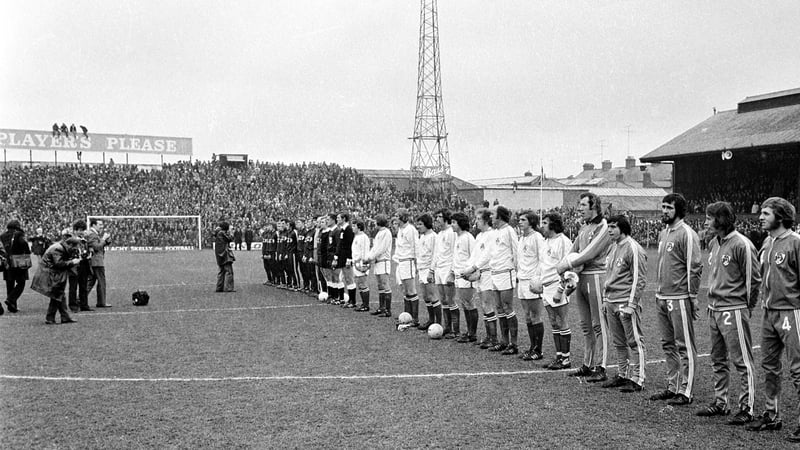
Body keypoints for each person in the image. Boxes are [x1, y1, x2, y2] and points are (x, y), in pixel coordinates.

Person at [695, 202, 760, 425]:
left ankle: (747, 408)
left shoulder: (742, 244)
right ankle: (721, 403)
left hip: (733, 310)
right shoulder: (714, 243)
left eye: (709, 218)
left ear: (721, 219)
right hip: (714, 310)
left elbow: (754, 281)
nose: (705, 222)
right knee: (717, 360)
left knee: (742, 361)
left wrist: (744, 308)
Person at [747, 197, 800, 441]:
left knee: (798, 369)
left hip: (791, 312)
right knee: (769, 365)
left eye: (766, 213)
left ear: (780, 217)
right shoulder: (767, 243)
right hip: (769, 313)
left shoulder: (795, 243)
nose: (760, 217)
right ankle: (771, 415)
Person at [650, 193, 702, 406]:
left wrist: (692, 296)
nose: (664, 211)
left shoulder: (687, 234)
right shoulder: (664, 234)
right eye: (662, 207)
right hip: (662, 296)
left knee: (684, 345)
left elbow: (695, 266)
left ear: (678, 210)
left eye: (668, 208)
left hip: (679, 297)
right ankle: (673, 386)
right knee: (667, 344)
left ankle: (686, 391)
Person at [557, 192, 613, 381]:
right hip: (581, 278)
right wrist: (565, 267)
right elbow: (573, 251)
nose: (579, 208)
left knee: (599, 324)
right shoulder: (584, 227)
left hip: (596, 277)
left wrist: (567, 265)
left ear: (594, 206)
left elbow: (589, 254)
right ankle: (587, 364)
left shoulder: (603, 227)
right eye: (579, 205)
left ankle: (601, 366)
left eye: (583, 205)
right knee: (585, 325)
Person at [600, 215, 648, 393]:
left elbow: (639, 279)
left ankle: (638, 378)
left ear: (623, 228)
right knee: (619, 342)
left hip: (625, 302)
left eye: (613, 227)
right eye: (609, 227)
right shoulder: (613, 247)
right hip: (611, 302)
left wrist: (631, 305)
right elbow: (609, 276)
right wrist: (605, 299)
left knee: (634, 341)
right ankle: (623, 374)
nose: (610, 230)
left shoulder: (633, 248)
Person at [539, 213, 574, 370]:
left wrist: (561, 290)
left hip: (556, 286)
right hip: (545, 287)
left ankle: (566, 359)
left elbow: (568, 268)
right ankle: (559, 356)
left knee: (562, 321)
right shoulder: (545, 241)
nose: (542, 226)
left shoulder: (564, 241)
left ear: (553, 225)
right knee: (553, 322)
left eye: (545, 223)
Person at [464, 208, 499, 349]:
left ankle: (494, 338)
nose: (476, 221)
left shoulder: (492, 235)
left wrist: (473, 268)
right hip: (479, 273)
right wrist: (466, 269)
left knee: (487, 304)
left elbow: (488, 255)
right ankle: (489, 336)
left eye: (478, 219)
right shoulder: (479, 236)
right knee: (484, 305)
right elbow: (474, 255)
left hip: (488, 272)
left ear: (485, 220)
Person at [489, 206, 520, 355]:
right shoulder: (495, 232)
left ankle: (513, 344)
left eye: (493, 214)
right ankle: (504, 341)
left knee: (508, 307)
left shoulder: (509, 231)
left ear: (500, 216)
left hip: (506, 273)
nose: (491, 217)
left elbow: (516, 251)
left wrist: (516, 272)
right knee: (499, 307)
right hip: (494, 273)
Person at [31, 236, 82, 324]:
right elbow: (58, 264)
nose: (76, 249)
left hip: (51, 273)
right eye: (75, 247)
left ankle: (60, 317)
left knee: (58, 295)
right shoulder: (58, 249)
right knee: (57, 294)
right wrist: (73, 262)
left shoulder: (60, 247)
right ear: (70, 244)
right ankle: (53, 317)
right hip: (49, 273)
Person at [516, 211, 546, 360]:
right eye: (519, 219)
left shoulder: (537, 237)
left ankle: (538, 350)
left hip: (531, 281)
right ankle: (531, 347)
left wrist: (537, 279)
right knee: (527, 316)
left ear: (531, 222)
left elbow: (542, 259)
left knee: (535, 316)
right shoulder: (522, 238)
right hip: (521, 280)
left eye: (523, 220)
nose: (520, 222)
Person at [452, 211, 478, 342]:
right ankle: (469, 332)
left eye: (454, 222)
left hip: (467, 276)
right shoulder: (458, 237)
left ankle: (472, 333)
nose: (452, 225)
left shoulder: (468, 237)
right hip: (458, 275)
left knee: (469, 303)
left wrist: (470, 273)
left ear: (460, 223)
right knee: (464, 304)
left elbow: (473, 256)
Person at [431, 209, 457, 337]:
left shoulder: (452, 232)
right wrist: (432, 270)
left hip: (447, 268)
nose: (437, 219)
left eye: (440, 216)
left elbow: (454, 253)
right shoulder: (439, 234)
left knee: (450, 299)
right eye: (436, 216)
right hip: (439, 269)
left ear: (446, 218)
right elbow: (436, 253)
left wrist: (452, 271)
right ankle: (447, 327)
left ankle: (455, 330)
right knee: (443, 299)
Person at [393, 209, 419, 323]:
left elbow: (415, 247)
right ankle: (406, 316)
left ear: (403, 217)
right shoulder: (400, 230)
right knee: (404, 290)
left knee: (411, 290)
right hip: (401, 262)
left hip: (408, 261)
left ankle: (415, 318)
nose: (396, 218)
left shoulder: (410, 229)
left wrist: (416, 263)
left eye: (397, 216)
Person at [1, 220, 31, 314]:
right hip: (19, 260)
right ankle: (11, 300)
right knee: (21, 282)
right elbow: (24, 244)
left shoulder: (2, 236)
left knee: (10, 283)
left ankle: (12, 307)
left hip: (7, 261)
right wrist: (27, 252)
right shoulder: (19, 234)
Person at [415, 213, 439, 330]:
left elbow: (435, 254)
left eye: (420, 224)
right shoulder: (422, 237)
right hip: (421, 269)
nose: (418, 227)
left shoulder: (433, 236)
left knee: (432, 295)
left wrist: (432, 270)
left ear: (427, 224)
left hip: (429, 269)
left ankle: (438, 323)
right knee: (425, 296)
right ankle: (431, 320)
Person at [367, 214, 393, 317]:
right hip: (378, 261)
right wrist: (369, 256)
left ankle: (388, 310)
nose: (373, 223)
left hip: (383, 261)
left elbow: (381, 248)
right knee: (380, 285)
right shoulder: (379, 233)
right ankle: (381, 308)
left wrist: (371, 257)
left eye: (375, 221)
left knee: (385, 284)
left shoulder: (386, 233)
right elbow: (375, 247)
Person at [85, 219, 112, 308]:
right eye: (100, 224)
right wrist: (103, 239)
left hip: (95, 261)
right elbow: (96, 247)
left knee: (91, 282)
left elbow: (98, 245)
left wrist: (106, 241)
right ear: (93, 225)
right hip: (97, 262)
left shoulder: (93, 234)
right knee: (101, 282)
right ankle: (101, 302)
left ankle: (80, 300)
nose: (101, 226)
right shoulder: (92, 234)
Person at [68, 221, 92, 312]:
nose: (81, 232)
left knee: (83, 285)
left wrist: (89, 253)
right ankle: (73, 306)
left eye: (83, 230)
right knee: (73, 287)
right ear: (75, 230)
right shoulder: (71, 239)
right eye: (79, 230)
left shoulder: (84, 240)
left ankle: (84, 305)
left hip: (84, 264)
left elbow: (87, 249)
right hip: (74, 265)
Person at [333, 212, 356, 308]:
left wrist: (349, 259)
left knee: (349, 279)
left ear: (344, 219)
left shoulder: (348, 230)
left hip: (346, 259)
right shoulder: (343, 229)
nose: (337, 219)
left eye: (338, 218)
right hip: (342, 258)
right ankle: (347, 300)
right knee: (343, 278)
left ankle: (352, 301)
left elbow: (350, 245)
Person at [352, 220, 372, 311]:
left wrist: (364, 265)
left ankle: (366, 305)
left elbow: (365, 251)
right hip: (356, 262)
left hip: (361, 263)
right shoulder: (357, 236)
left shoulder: (363, 237)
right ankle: (364, 304)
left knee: (362, 283)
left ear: (359, 227)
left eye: (354, 226)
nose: (352, 228)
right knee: (359, 283)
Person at [214, 221, 235, 292]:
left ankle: (219, 287)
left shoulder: (218, 233)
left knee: (221, 271)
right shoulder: (222, 233)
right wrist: (231, 232)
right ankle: (229, 288)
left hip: (219, 255)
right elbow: (230, 238)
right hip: (225, 255)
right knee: (229, 271)